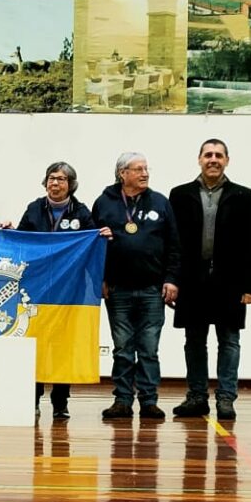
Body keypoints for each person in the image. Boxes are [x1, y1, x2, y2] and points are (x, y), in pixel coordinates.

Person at [3, 162, 109, 420]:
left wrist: (101, 235)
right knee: (35, 342)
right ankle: (34, 397)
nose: (55, 183)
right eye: (51, 178)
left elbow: (92, 244)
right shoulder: (34, 209)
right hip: (36, 287)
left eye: (61, 179)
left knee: (63, 344)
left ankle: (60, 401)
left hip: (68, 291)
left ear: (70, 184)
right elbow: (24, 243)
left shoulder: (82, 212)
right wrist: (9, 231)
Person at [168, 139, 251, 421]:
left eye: (219, 155)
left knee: (229, 341)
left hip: (229, 282)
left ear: (227, 161)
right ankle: (196, 396)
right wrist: (172, 280)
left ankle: (225, 398)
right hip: (191, 281)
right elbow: (172, 243)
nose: (213, 159)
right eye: (208, 154)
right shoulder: (180, 195)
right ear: (199, 159)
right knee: (194, 340)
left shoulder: (243, 195)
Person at [92, 152, 180, 421]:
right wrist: (101, 279)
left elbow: (174, 246)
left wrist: (172, 279)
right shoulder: (104, 203)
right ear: (123, 173)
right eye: (138, 169)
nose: (145, 174)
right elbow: (90, 244)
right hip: (118, 290)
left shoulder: (160, 202)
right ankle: (122, 400)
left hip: (153, 290)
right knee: (122, 348)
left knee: (149, 349)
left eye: (146, 169)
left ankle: (149, 400)